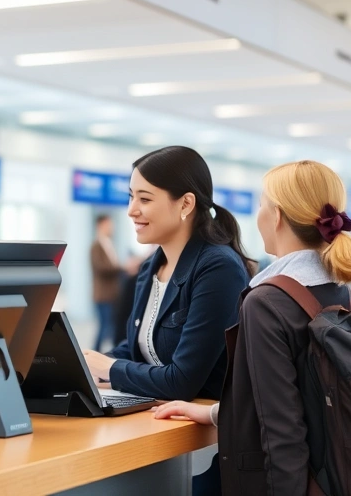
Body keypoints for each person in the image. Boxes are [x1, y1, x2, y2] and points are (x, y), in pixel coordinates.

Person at [153, 160, 351, 495]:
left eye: (261, 205)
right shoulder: (347, 296)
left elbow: (282, 432)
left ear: (277, 215)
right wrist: (214, 413)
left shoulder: (266, 302)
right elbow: (303, 401)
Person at [82, 146, 254, 496]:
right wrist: (84, 368)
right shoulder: (152, 266)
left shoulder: (217, 267)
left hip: (206, 448)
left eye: (145, 199)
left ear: (186, 204)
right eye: (131, 197)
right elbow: (135, 349)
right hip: (157, 427)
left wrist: (109, 368)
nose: (132, 211)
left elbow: (182, 380)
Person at [90, 214, 120, 351]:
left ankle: (108, 354)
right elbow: (101, 268)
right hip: (102, 294)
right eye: (108, 224)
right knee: (104, 326)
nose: (111, 228)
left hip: (112, 294)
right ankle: (94, 355)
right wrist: (122, 267)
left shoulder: (109, 243)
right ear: (100, 225)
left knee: (110, 326)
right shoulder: (96, 246)